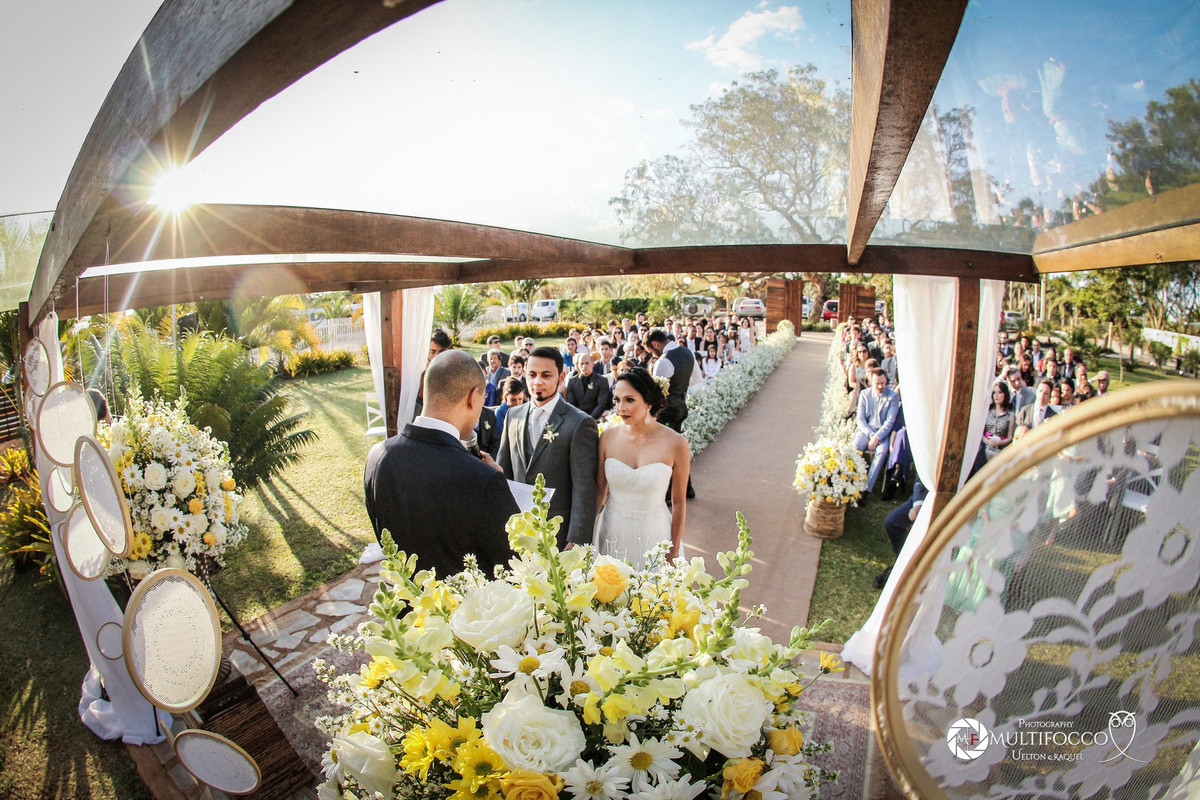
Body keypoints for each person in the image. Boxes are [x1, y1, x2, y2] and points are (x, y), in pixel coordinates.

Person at [363, 350, 516, 576]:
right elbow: (515, 559)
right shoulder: (484, 479)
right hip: (466, 607)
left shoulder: (376, 456)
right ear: (474, 397)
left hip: (408, 606)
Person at [497, 347, 599, 549]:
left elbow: (584, 487)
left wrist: (577, 538)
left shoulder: (579, 423)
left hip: (557, 534)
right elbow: (504, 473)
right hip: (518, 532)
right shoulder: (513, 415)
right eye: (532, 375)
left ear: (561, 377)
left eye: (546, 375)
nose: (537, 382)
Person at [595, 368, 690, 567]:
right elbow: (599, 492)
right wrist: (583, 534)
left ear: (648, 402)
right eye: (617, 400)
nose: (621, 407)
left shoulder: (676, 443)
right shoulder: (607, 437)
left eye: (629, 400)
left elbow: (679, 502)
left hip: (655, 533)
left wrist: (673, 549)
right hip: (611, 531)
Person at [646, 328, 697, 499]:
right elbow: (696, 379)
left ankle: (668, 493)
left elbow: (654, 393)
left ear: (655, 344)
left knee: (665, 452)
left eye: (651, 351)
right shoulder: (687, 353)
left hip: (666, 413)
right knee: (678, 449)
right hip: (681, 406)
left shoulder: (664, 362)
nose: (653, 355)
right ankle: (687, 488)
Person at [874, 475, 928, 589]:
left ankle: (911, 569)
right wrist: (918, 504)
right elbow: (920, 477)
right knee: (892, 522)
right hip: (924, 498)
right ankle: (905, 564)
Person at [854, 369, 901, 497]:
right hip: (866, 431)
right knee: (855, 447)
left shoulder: (893, 396)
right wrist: (871, 435)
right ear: (870, 382)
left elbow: (890, 421)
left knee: (881, 452)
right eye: (877, 384)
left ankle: (866, 489)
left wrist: (877, 437)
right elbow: (860, 419)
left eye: (883, 383)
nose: (881, 386)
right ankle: (853, 483)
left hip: (882, 433)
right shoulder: (864, 394)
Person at [564, 351, 612, 419]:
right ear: (578, 365)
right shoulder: (572, 382)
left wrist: (589, 419)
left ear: (592, 364)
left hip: (596, 419)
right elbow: (571, 405)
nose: (584, 366)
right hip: (577, 419)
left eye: (587, 363)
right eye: (581, 364)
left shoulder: (602, 381)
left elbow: (601, 404)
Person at [982, 382, 1015, 460]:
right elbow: (981, 432)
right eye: (994, 393)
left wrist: (997, 443)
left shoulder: (1010, 415)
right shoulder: (987, 411)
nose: (996, 395)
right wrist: (987, 441)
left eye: (1000, 392)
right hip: (985, 447)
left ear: (1005, 394)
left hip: (1000, 450)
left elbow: (1010, 438)